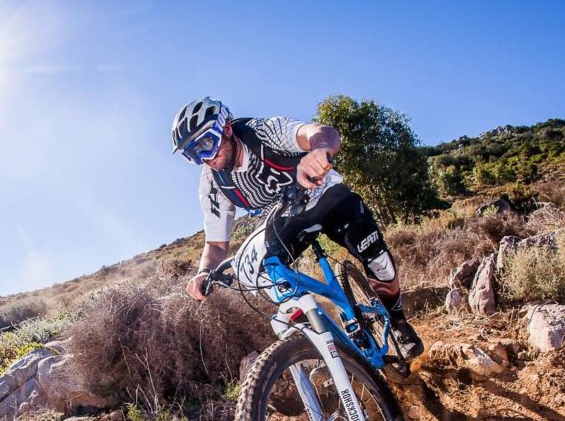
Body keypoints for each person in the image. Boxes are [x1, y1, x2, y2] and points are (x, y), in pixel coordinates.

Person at [171, 97, 424, 359]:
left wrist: (319, 150)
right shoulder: (212, 183)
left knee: (377, 258)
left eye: (206, 144)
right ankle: (325, 348)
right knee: (267, 275)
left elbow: (320, 132)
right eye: (193, 154)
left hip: (324, 196)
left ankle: (399, 322)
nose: (205, 158)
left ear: (226, 128)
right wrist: (203, 272)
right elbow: (215, 243)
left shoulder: (262, 132)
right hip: (285, 220)